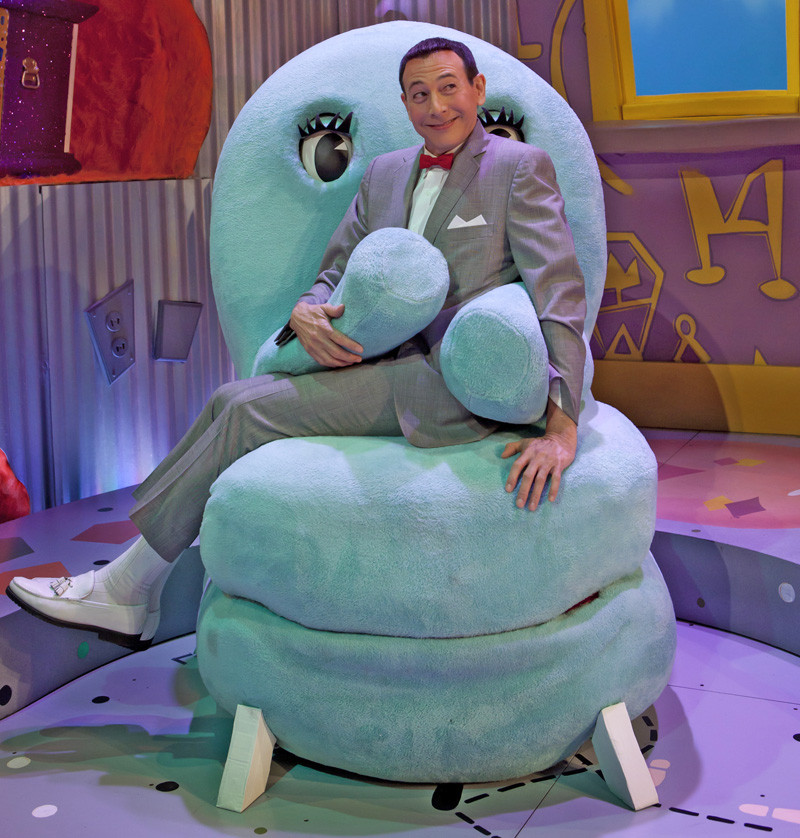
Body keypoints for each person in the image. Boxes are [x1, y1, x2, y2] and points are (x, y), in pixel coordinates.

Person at [7, 37, 586, 649]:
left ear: (478, 89)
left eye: (449, 88)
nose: (437, 107)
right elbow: (335, 269)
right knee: (228, 397)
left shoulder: (520, 168)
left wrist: (562, 423)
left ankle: (126, 589)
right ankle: (132, 586)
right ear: (404, 102)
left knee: (246, 411)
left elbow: (559, 290)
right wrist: (305, 311)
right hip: (367, 355)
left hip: (446, 381)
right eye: (420, 94)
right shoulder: (386, 173)